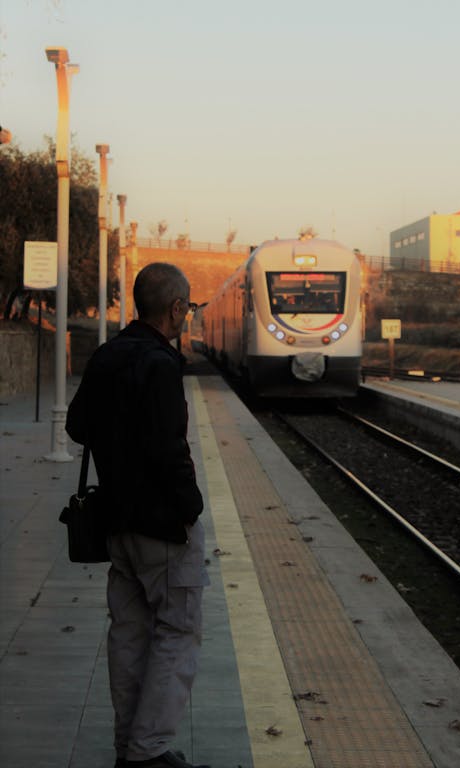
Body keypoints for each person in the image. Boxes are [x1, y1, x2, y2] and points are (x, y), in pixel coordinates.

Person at [66, 263, 210, 768]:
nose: (187, 315)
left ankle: (128, 745)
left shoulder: (107, 354)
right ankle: (147, 753)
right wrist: (190, 507)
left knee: (128, 632)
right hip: (162, 526)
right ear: (175, 309)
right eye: (188, 308)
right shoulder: (160, 363)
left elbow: (77, 426)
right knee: (178, 629)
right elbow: (170, 448)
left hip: (116, 523)